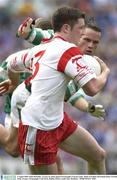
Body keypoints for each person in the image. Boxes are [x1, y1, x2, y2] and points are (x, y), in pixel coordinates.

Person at [5, 6, 109, 175]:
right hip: (37, 126)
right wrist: (105, 72)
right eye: (81, 29)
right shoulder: (68, 51)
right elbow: (92, 89)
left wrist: (13, 82)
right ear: (66, 28)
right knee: (12, 148)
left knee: (98, 156)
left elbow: (12, 64)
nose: (83, 33)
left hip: (56, 120)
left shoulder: (42, 47)